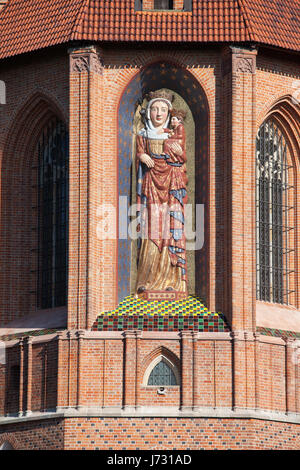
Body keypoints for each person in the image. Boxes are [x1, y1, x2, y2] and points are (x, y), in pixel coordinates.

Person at [135, 90, 188, 296]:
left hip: (170, 185)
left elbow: (182, 160)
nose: (159, 113)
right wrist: (141, 155)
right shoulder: (142, 135)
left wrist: (176, 153)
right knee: (151, 228)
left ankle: (171, 280)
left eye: (163, 109)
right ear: (148, 111)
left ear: (168, 113)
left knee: (169, 228)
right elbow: (139, 151)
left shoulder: (172, 135)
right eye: (155, 108)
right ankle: (146, 280)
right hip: (150, 185)